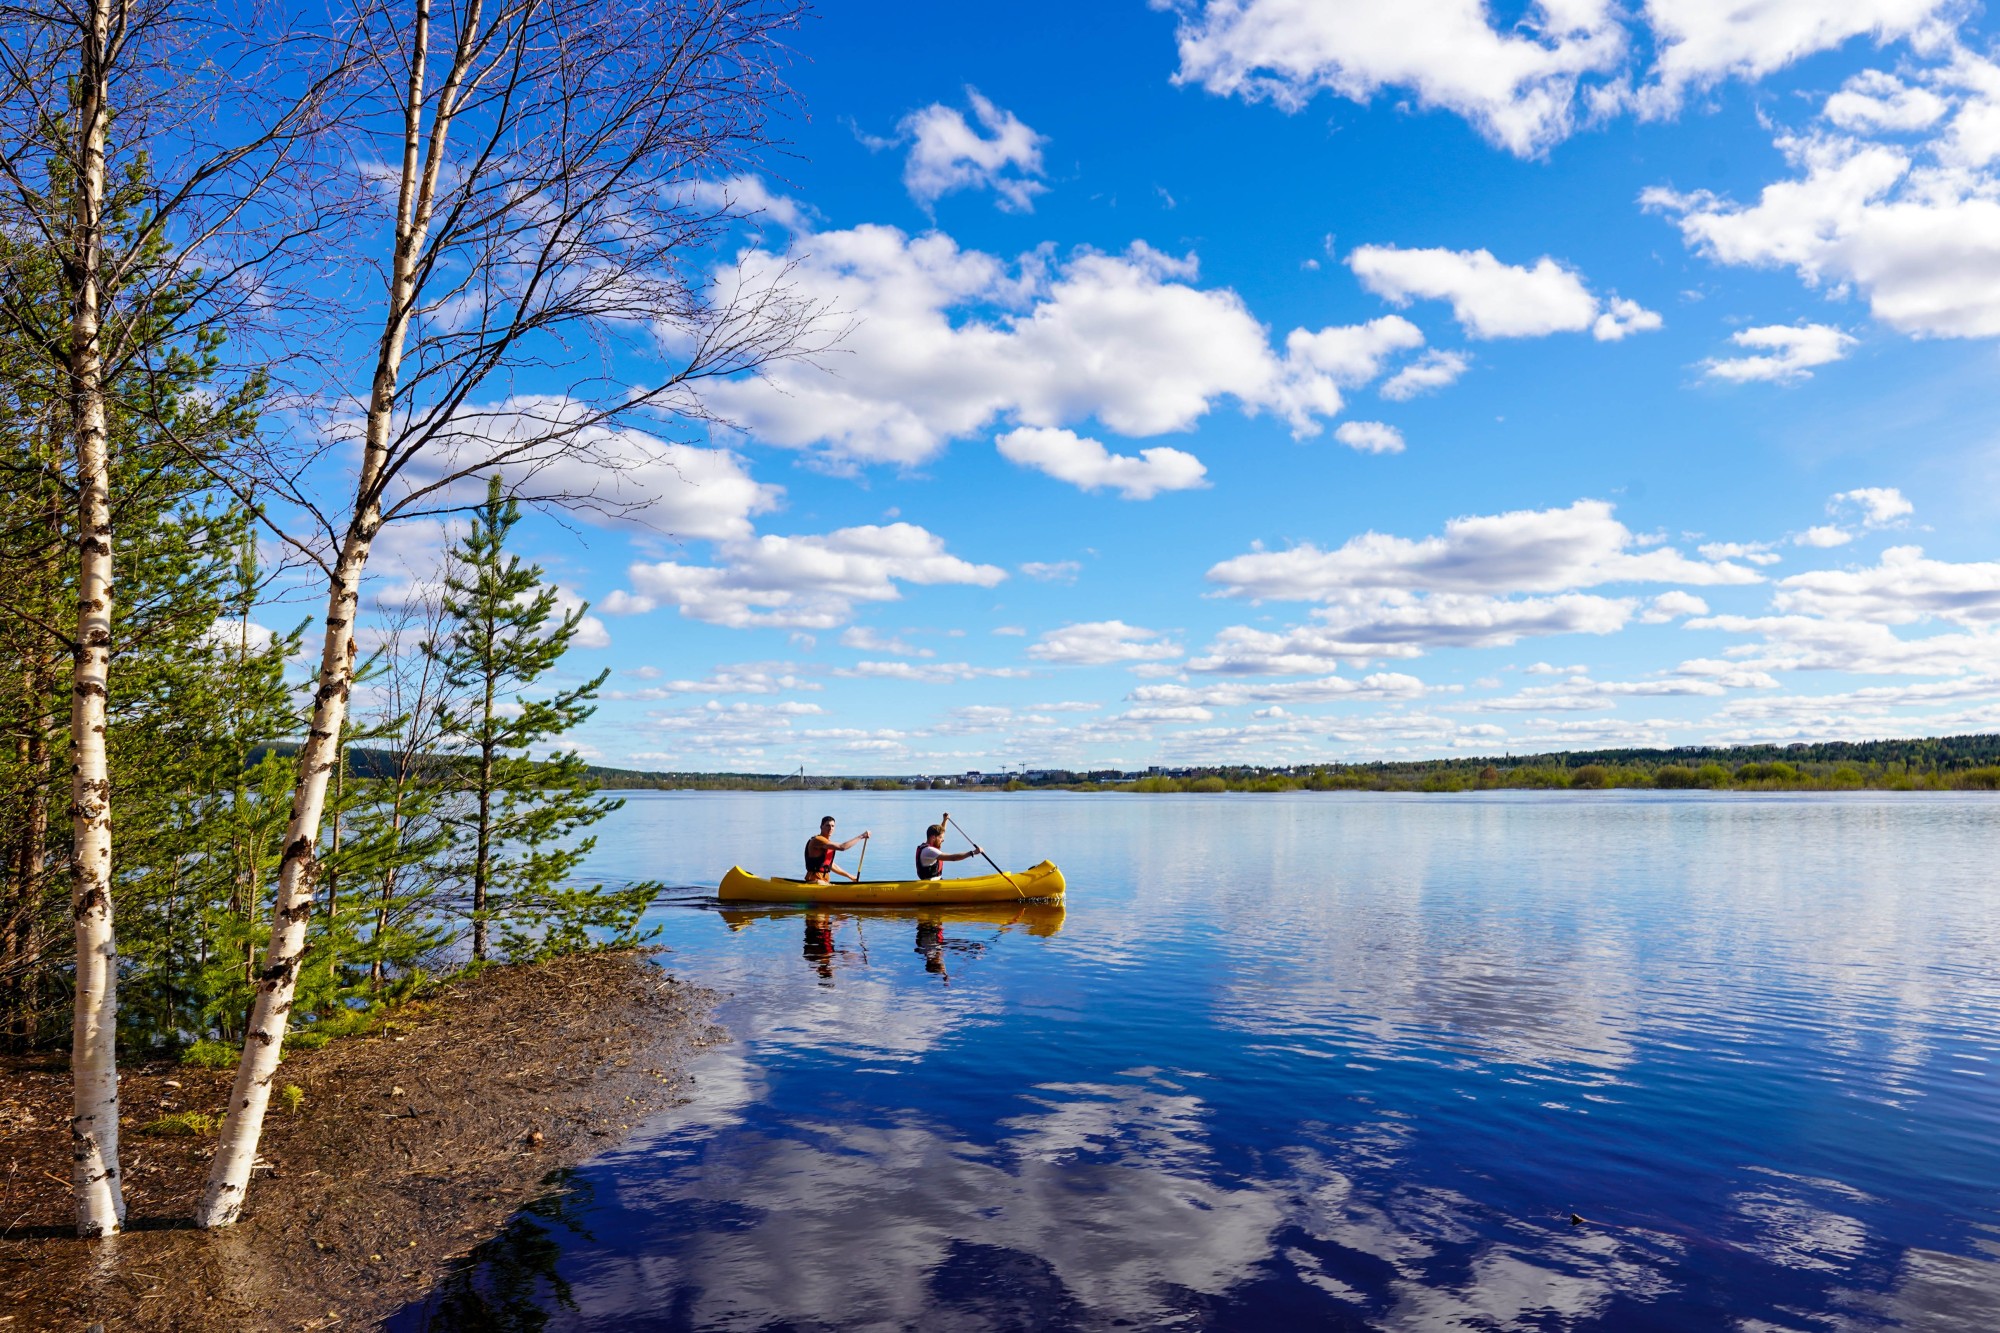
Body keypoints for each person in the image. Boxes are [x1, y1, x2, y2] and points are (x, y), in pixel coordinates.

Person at [804, 816, 869, 883]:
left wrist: (850, 876)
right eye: (827, 825)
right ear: (821, 827)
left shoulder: (827, 843)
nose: (830, 828)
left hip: (824, 881)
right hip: (815, 881)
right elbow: (842, 847)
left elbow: (831, 865)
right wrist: (861, 836)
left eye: (832, 826)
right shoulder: (818, 840)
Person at [915, 824, 981, 881]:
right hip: (931, 884)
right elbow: (953, 858)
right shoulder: (929, 850)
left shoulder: (928, 847)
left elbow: (939, 832)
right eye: (941, 837)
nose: (943, 840)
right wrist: (973, 852)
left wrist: (945, 820)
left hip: (934, 881)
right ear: (933, 838)